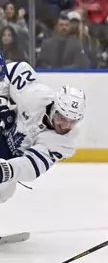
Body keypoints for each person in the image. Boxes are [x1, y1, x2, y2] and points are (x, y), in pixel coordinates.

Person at [0, 57, 86, 204]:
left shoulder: (64, 144)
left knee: (5, 191)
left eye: (72, 121)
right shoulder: (36, 96)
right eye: (62, 118)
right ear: (55, 108)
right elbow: (15, 69)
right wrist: (2, 103)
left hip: (9, 160)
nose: (65, 125)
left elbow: (32, 166)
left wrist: (5, 170)